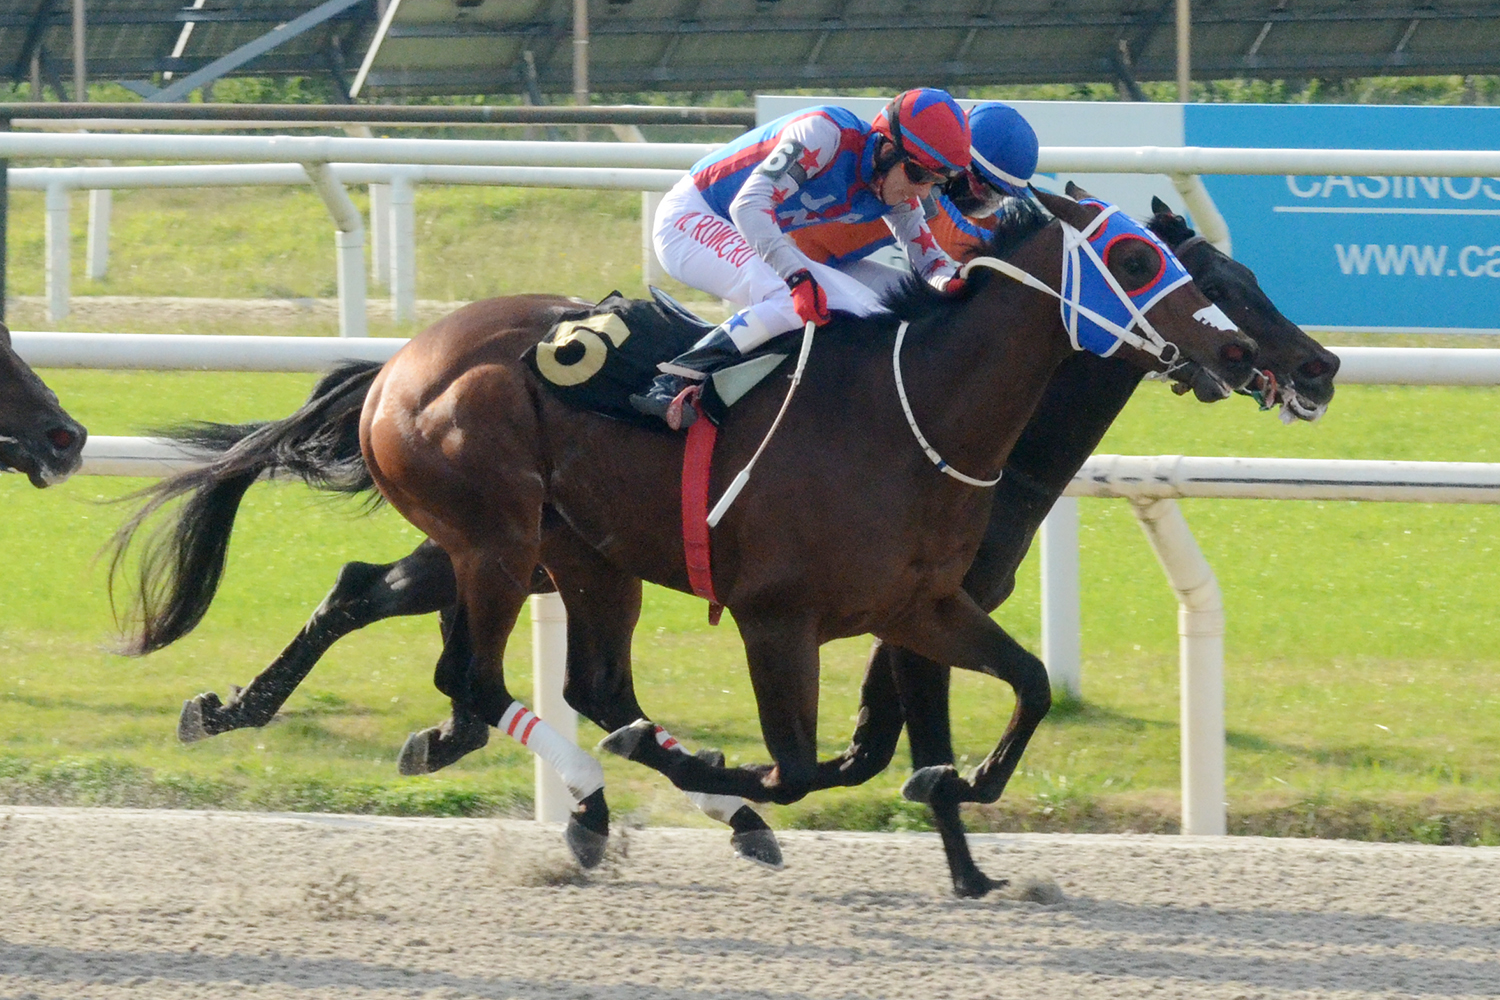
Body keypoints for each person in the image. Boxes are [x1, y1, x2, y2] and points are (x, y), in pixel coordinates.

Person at [631, 88, 972, 429]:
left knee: (868, 309)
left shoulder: (895, 184)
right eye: (919, 175)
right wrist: (796, 278)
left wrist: (961, 281)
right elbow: (748, 207)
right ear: (886, 150)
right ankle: (673, 380)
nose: (923, 191)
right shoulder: (824, 135)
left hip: (743, 227)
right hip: (691, 219)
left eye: (936, 181)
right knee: (790, 298)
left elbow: (930, 264)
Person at [791, 101, 1041, 296]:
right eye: (987, 193)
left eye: (997, 197)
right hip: (791, 258)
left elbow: (995, 226)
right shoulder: (923, 178)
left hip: (831, 260)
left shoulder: (936, 169)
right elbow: (961, 240)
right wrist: (1037, 255)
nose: (987, 204)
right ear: (963, 168)